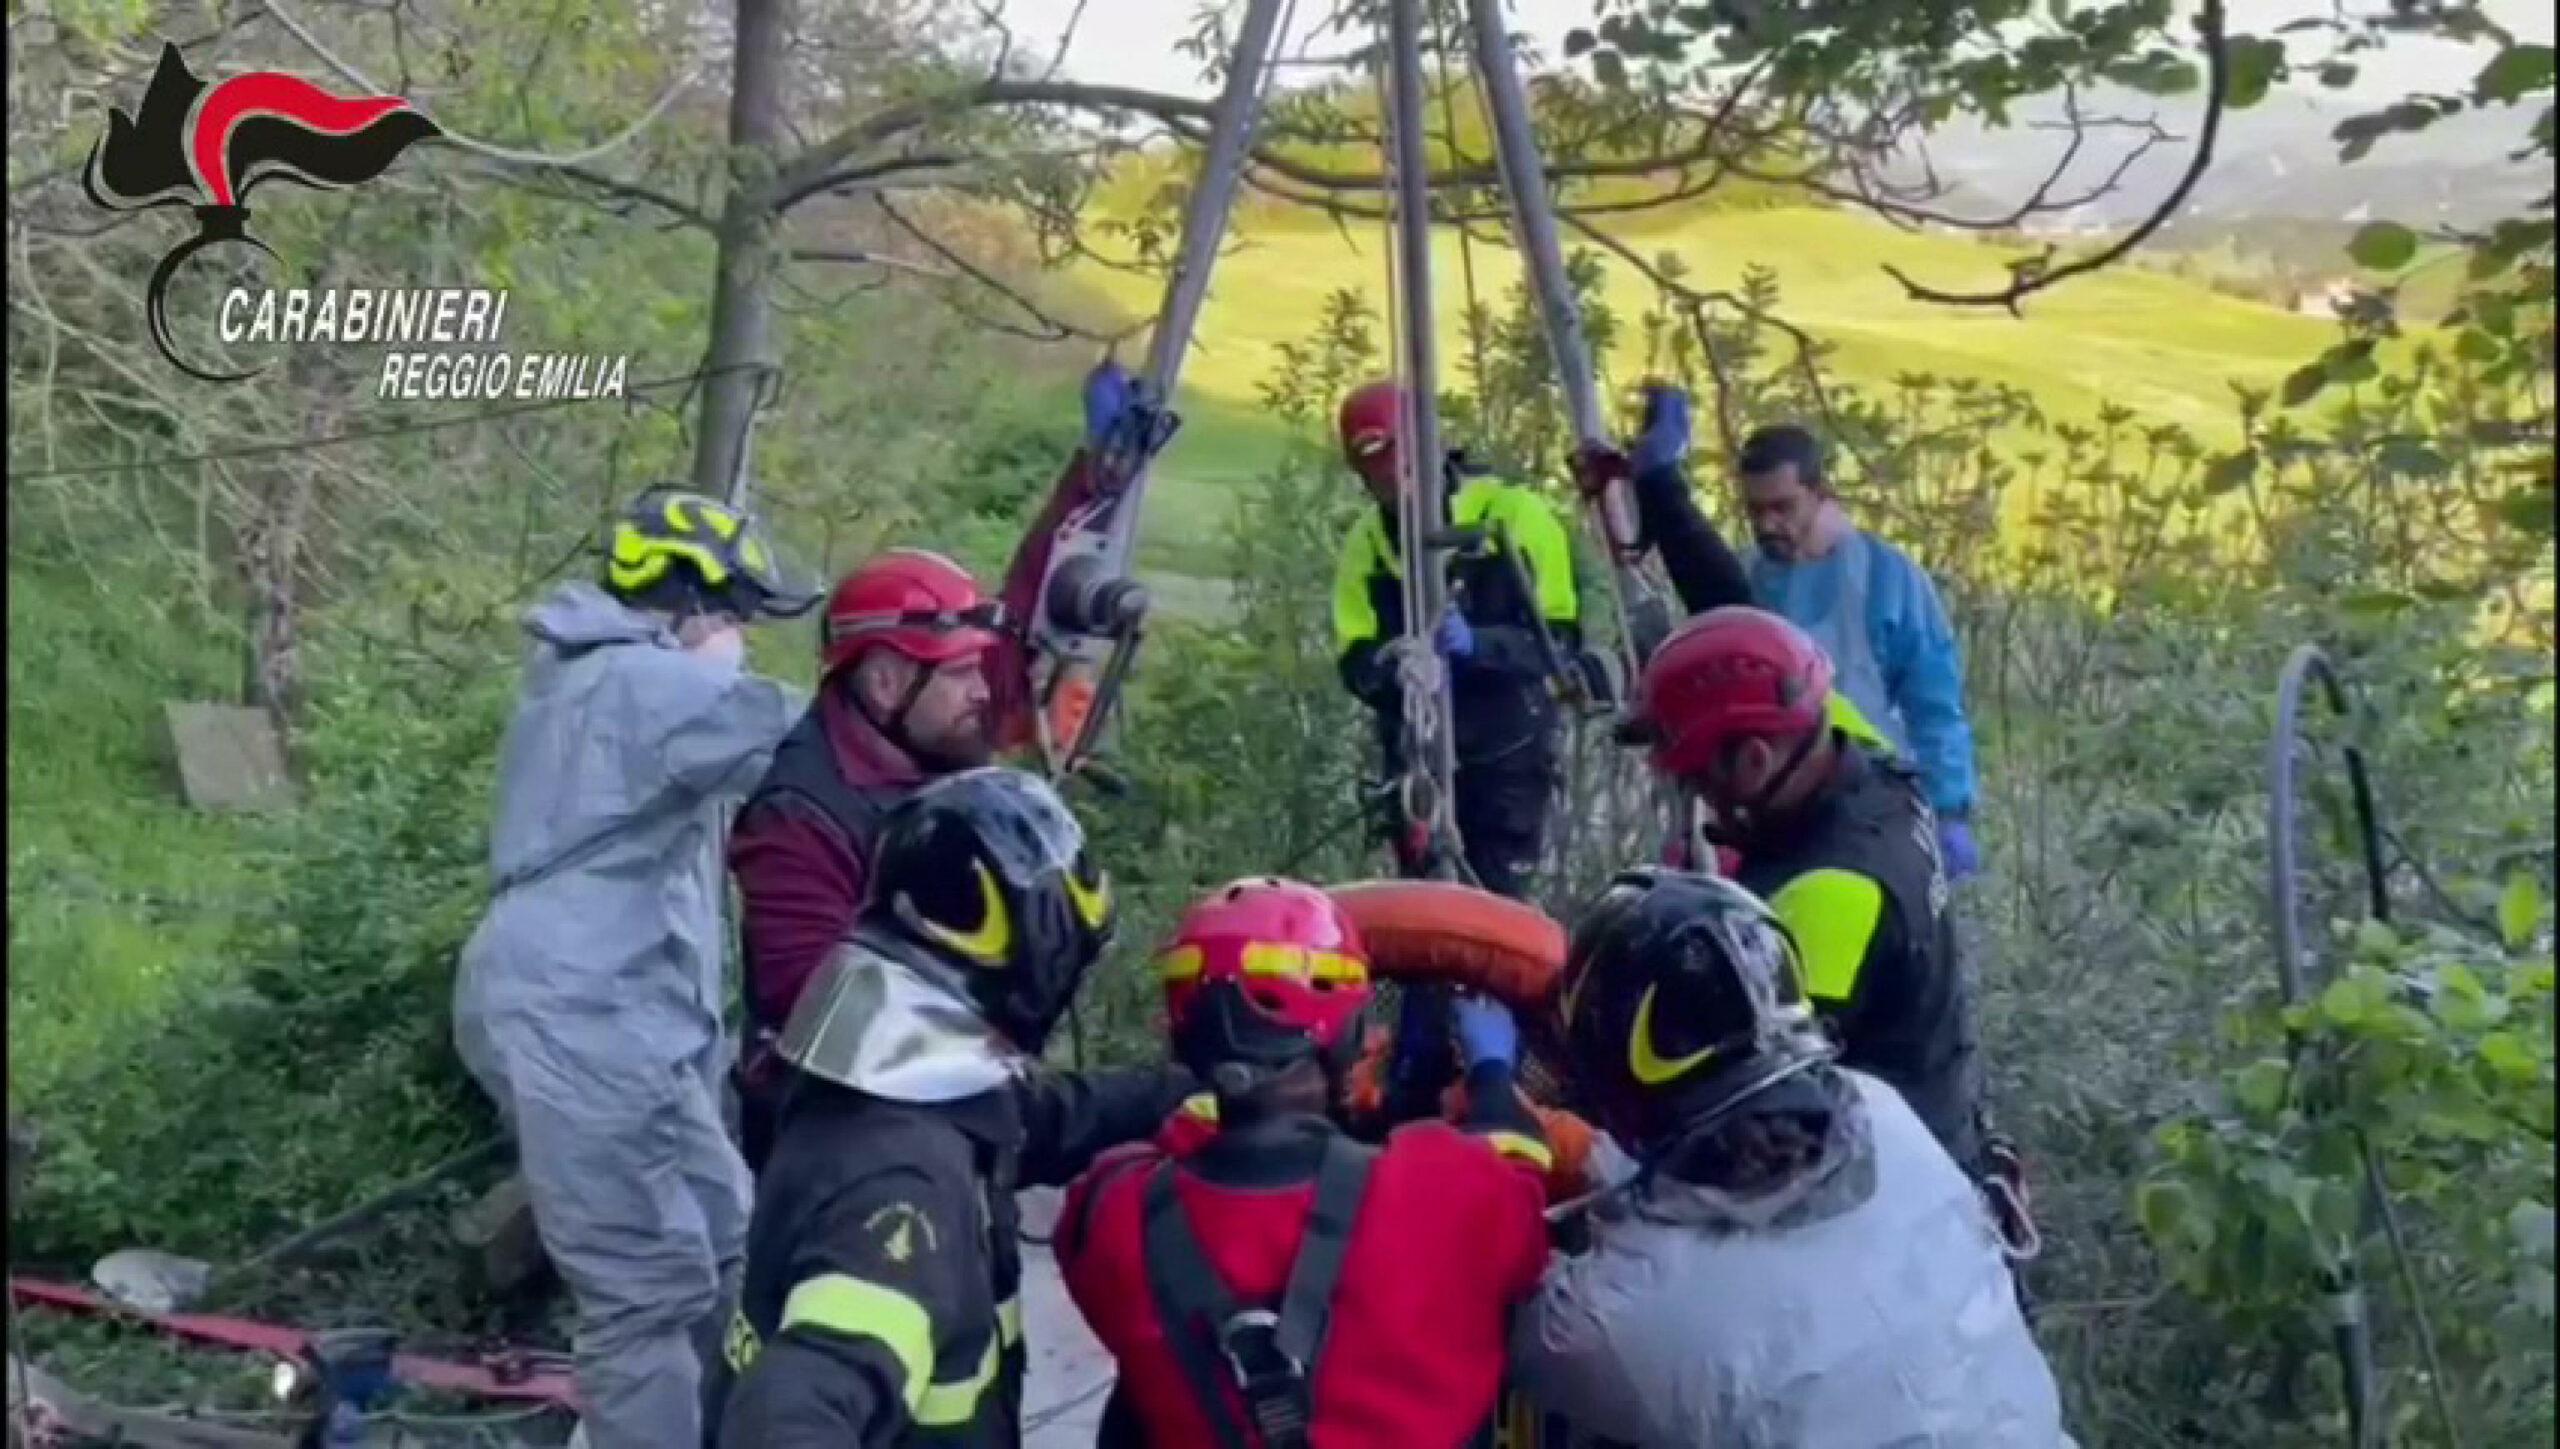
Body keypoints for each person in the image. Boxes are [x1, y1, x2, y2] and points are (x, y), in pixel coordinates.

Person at [452, 487, 814, 1449]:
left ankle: (734, 1426)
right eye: (734, 611)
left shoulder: (611, 681)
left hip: (631, 1019)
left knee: (733, 1239)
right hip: (581, 1016)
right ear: (683, 603)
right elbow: (813, 742)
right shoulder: (639, 684)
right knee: (646, 1287)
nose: (741, 634)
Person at [709, 766, 1195, 1446]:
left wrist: (1192, 1089)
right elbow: (789, 1410)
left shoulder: (884, 1087)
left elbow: (1040, 1117)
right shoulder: (905, 1185)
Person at [1511, 868, 2071, 1447]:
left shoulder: (1621, 1324)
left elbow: (1514, 1323)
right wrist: (1591, 1154)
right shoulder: (1883, 1115)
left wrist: (1497, 1117)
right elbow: (1725, 1208)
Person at [1054, 878, 1554, 1448]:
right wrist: (1490, 1075)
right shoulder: (1444, 1184)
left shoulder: (1112, 1212)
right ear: (1346, 1034)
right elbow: (1525, 1189)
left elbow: (1175, 1140)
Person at [1622, 602, 1984, 1174]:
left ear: (1754, 760)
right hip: (1938, 1109)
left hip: (1887, 1192)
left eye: (1700, 781)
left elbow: (1734, 1092)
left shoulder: (1828, 897)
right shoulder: (1848, 748)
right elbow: (1760, 659)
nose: (1701, 800)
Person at [728, 549, 1006, 1170]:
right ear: (884, 681)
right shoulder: (798, 817)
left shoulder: (928, 758)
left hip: (928, 1092)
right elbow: (811, 1003)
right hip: (834, 1137)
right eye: (960, 673)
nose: (982, 693)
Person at [1330, 379, 1586, 902]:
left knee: (1494, 912)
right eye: (1372, 467)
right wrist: (1391, 668)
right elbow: (1353, 656)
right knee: (1423, 917)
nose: (1388, 478)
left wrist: (1479, 645)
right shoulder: (1369, 545)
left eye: (1395, 459)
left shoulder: (1512, 516)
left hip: (1506, 761)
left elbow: (1557, 643)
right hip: (1417, 765)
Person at [1735, 423, 1980, 880]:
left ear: (1820, 493)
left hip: (1871, 812)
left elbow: (1934, 704)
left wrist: (1949, 809)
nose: (1768, 524)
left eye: (1783, 507)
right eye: (1756, 511)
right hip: (1764, 813)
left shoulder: (1888, 578)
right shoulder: (1742, 579)